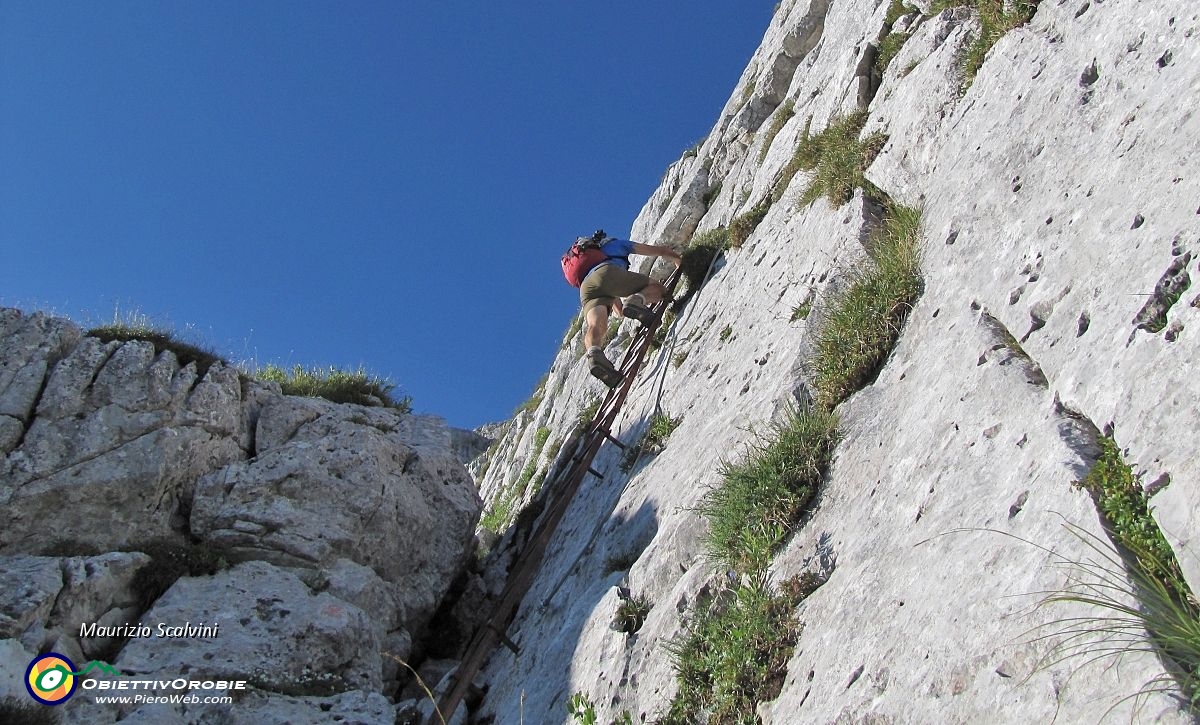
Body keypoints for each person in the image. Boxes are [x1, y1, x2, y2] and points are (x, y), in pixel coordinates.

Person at [577, 235, 681, 387]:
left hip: (586, 288)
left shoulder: (592, 262)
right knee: (659, 289)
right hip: (607, 273)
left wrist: (626, 307)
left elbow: (619, 311)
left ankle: (594, 354)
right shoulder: (616, 245)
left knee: (595, 325)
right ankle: (639, 299)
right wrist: (678, 259)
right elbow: (657, 250)